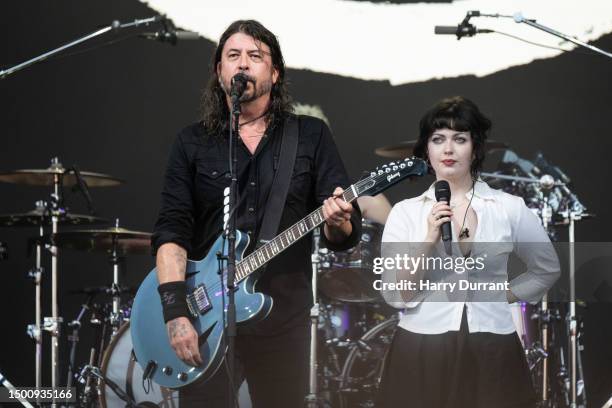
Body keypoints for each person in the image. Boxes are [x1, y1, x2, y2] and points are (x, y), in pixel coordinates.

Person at [150, 20, 361, 407]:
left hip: (282, 319)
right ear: (219, 73)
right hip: (206, 319)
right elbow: (171, 232)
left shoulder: (310, 135)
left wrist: (339, 219)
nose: (243, 64)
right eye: (233, 56)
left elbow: (344, 235)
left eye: (255, 56)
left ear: (275, 73)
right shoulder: (191, 143)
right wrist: (176, 312)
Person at [378, 96, 560, 408]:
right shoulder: (405, 213)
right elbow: (396, 295)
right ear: (426, 151)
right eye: (438, 140)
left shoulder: (508, 207)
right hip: (422, 348)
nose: (448, 149)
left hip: (493, 347)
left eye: (459, 139)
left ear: (476, 148)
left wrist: (502, 295)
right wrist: (427, 239)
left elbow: (547, 268)